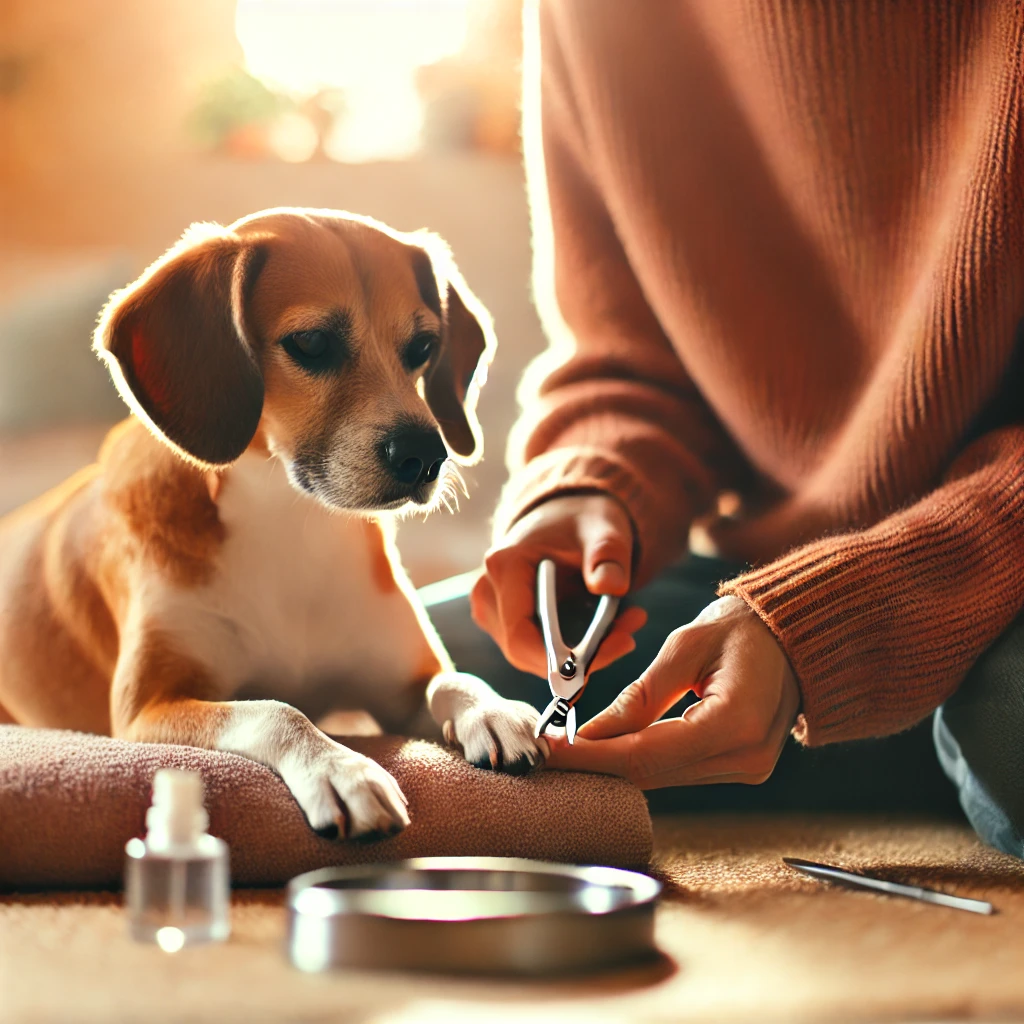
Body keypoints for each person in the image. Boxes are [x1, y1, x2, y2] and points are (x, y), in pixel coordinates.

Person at [426, 0, 1024, 856]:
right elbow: (627, 355)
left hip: (1005, 571)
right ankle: (885, 741)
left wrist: (841, 622)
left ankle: (912, 734)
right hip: (747, 583)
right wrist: (594, 484)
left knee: (1012, 730)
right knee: (425, 669)